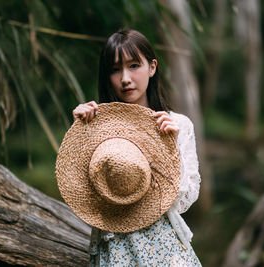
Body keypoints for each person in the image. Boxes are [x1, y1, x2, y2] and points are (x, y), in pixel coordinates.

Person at [71, 29, 202, 266]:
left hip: (166, 249)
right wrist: (81, 133)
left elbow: (185, 199)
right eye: (115, 69)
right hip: (114, 248)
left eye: (133, 66)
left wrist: (170, 148)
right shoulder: (100, 128)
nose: (125, 78)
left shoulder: (178, 125)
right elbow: (83, 195)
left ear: (152, 67)